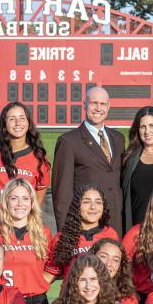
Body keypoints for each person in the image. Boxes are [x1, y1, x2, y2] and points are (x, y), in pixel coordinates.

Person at [52, 86, 126, 234]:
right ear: (84, 105)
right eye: (93, 103)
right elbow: (62, 194)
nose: (98, 108)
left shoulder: (118, 139)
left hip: (116, 224)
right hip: (86, 226)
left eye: (103, 104)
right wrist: (66, 233)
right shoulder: (69, 141)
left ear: (109, 106)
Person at [0, 101, 50, 223]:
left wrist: (30, 218)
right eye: (12, 119)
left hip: (23, 223)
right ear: (4, 124)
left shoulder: (39, 157)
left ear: (28, 123)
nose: (18, 123)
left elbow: (40, 192)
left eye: (22, 118)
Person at [44, 184, 119, 282]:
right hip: (72, 296)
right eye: (87, 202)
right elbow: (49, 275)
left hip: (104, 295)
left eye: (98, 202)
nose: (93, 207)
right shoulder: (63, 238)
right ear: (77, 206)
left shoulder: (110, 234)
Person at [91, 237, 140, 304]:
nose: (108, 263)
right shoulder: (79, 289)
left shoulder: (128, 298)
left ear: (120, 266)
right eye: (103, 256)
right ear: (92, 257)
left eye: (116, 260)